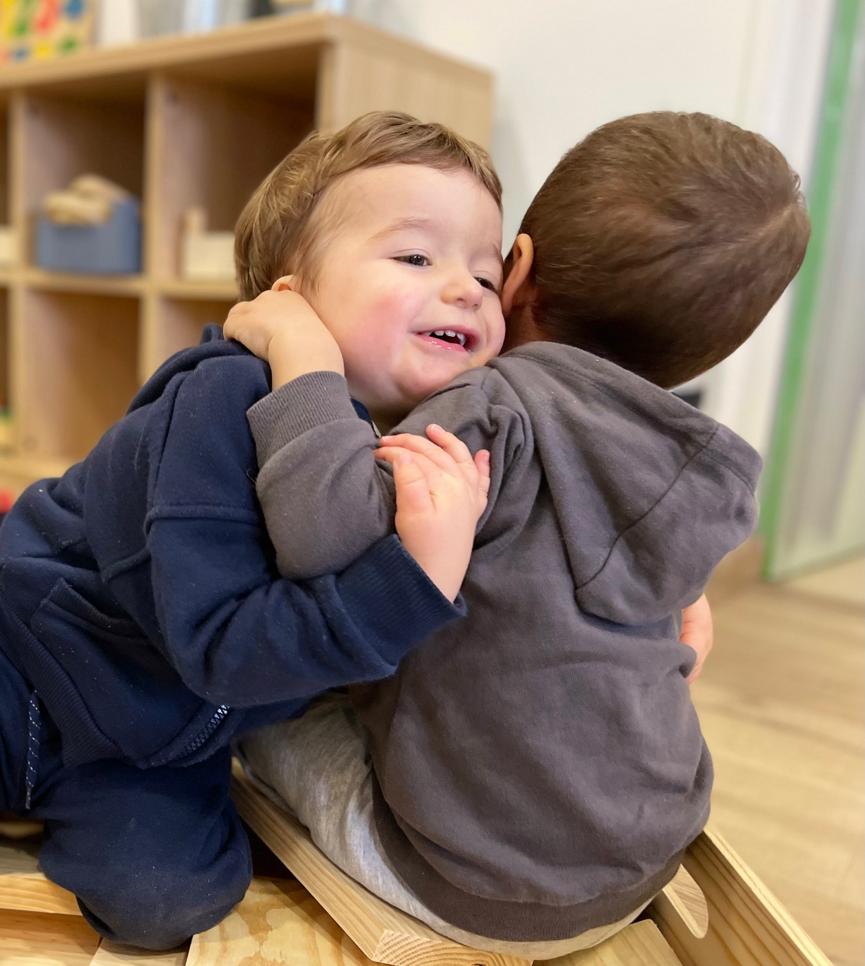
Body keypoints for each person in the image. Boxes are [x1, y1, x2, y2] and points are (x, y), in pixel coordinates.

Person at [228, 110, 811, 957]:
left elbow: (319, 533)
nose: (462, 288)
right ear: (713, 349)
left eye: (480, 267)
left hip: (466, 885)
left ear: (519, 271)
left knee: (258, 709)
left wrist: (303, 357)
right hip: (648, 858)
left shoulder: (490, 410)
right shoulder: (709, 471)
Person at [0, 113, 505, 950]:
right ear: (289, 299)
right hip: (28, 663)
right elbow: (223, 646)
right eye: (416, 257)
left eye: (486, 275)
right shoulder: (223, 398)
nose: (465, 289)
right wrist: (412, 582)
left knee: (165, 902)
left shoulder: (431, 445)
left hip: (157, 737)